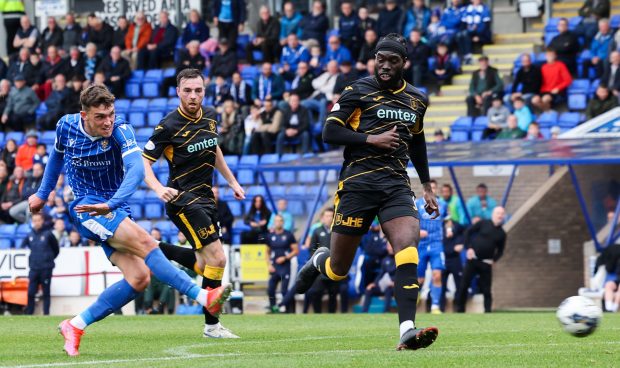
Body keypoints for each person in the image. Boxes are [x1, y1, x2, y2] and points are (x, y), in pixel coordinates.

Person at [28, 84, 232, 356]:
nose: (108, 121)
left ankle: (75, 325)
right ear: (84, 115)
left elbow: (137, 169)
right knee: (146, 242)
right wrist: (43, 193)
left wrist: (112, 204)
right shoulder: (66, 126)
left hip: (113, 208)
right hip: (85, 208)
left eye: (111, 113)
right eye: (100, 116)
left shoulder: (121, 130)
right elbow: (56, 156)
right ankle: (204, 296)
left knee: (139, 278)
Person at [295, 33, 439, 350]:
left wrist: (427, 185)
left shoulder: (417, 99)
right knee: (338, 270)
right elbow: (329, 131)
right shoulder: (357, 90)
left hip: (396, 186)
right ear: (374, 59)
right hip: (358, 185)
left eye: (393, 60)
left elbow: (417, 141)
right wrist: (370, 139)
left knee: (408, 247)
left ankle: (406, 329)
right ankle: (321, 260)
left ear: (405, 63)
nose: (385, 66)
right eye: (380, 59)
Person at [142, 68, 244, 338]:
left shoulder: (210, 115)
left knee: (204, 262)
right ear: (178, 92)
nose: (193, 95)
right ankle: (212, 326)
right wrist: (157, 188)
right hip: (183, 199)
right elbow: (143, 163)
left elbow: (214, 148)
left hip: (207, 198)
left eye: (198, 90)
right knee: (218, 258)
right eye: (187, 90)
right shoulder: (167, 126)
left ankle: (147, 248)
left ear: (204, 91)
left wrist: (232, 182)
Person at [456, 206, 506, 313]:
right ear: (493, 214)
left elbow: (501, 251)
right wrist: (468, 248)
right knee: (464, 285)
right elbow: (468, 232)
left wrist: (494, 260)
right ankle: (460, 311)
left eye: (502, 214)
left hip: (486, 263)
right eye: (498, 213)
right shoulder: (483, 223)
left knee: (487, 289)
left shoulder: (502, 233)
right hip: (472, 260)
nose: (500, 216)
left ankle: (488, 311)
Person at [415, 180, 447, 314]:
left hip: (436, 243)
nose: (431, 190)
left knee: (437, 275)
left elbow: (448, 220)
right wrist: (418, 231)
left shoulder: (443, 204)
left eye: (433, 188)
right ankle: (413, 300)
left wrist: (449, 228)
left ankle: (435, 306)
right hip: (421, 244)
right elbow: (410, 223)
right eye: (428, 188)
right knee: (419, 279)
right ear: (424, 191)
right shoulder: (416, 204)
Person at [22, 212, 59, 315]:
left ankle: (46, 314)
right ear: (32, 222)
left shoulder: (48, 234)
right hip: (33, 268)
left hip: (46, 269)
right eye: (34, 221)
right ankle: (29, 314)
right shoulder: (30, 234)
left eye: (38, 220)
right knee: (30, 293)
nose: (36, 222)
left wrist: (48, 259)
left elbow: (56, 250)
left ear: (42, 221)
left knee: (46, 292)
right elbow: (22, 247)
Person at [265, 214, 299, 313]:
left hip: (286, 266)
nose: (278, 222)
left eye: (280, 221)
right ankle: (273, 309)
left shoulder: (289, 235)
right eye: (276, 221)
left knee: (285, 290)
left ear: (283, 222)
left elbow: (296, 250)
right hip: (274, 266)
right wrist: (269, 265)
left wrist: (285, 258)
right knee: (271, 289)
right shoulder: (270, 236)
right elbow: (267, 252)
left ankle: (289, 311)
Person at [362, 242, 396, 313]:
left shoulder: (399, 259)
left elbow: (402, 274)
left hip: (395, 287)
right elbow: (381, 274)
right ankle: (364, 312)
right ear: (387, 247)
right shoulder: (385, 260)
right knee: (369, 289)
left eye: (392, 246)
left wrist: (396, 283)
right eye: (389, 246)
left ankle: (386, 311)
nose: (391, 248)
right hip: (384, 285)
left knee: (388, 289)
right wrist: (374, 283)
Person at [440, 218, 464, 312]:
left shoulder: (457, 226)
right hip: (443, 259)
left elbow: (467, 232)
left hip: (455, 259)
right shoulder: (438, 226)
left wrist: (461, 243)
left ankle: (458, 308)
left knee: (459, 284)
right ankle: (440, 308)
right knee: (441, 285)